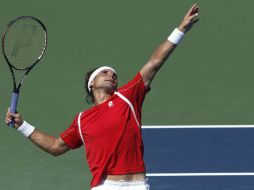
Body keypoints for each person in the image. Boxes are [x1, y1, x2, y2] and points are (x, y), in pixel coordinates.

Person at [6, 4, 199, 190]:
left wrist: (181, 29)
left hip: (138, 185)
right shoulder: (82, 120)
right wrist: (22, 125)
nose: (111, 75)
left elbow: (155, 62)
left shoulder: (128, 97)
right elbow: (56, 146)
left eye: (114, 75)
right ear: (92, 84)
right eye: (104, 72)